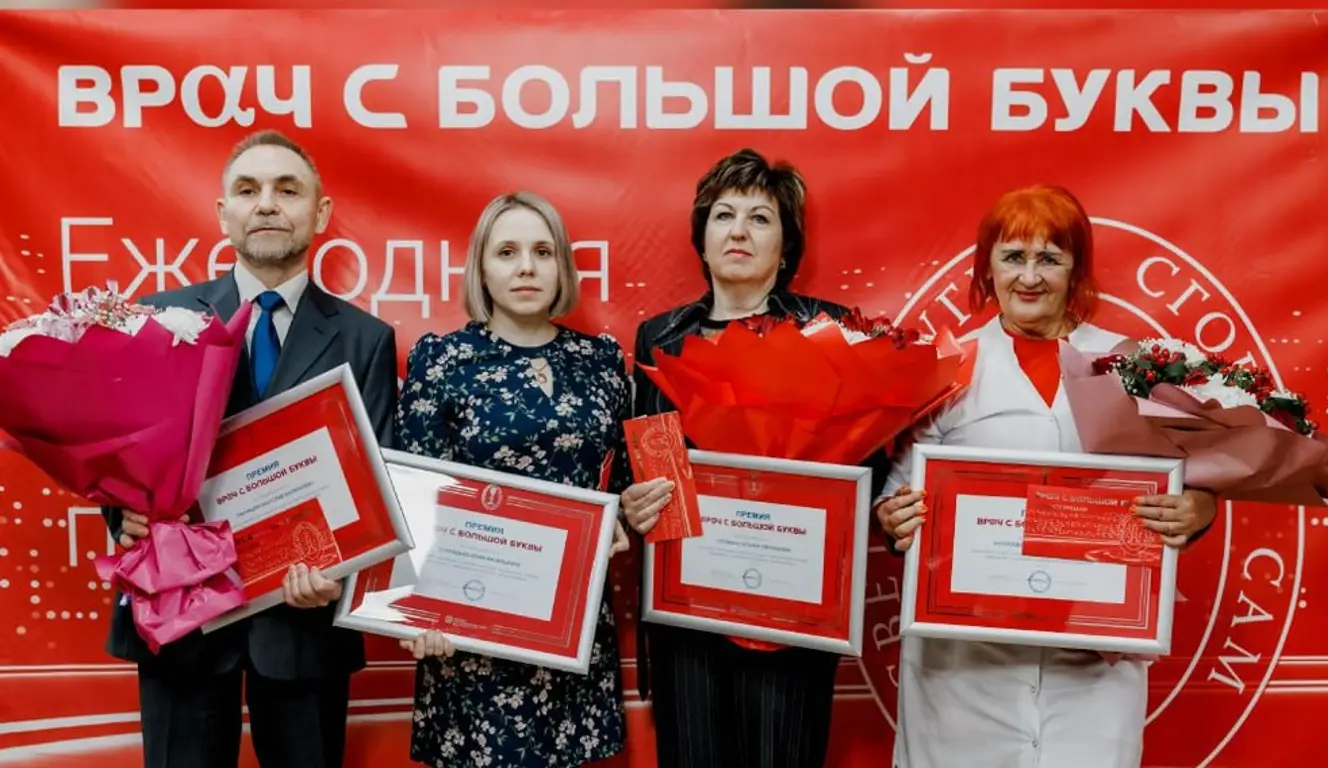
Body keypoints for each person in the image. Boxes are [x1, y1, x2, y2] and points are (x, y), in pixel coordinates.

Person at [876, 184, 1217, 768]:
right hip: (966, 664)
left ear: (1075, 269)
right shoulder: (943, 365)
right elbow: (895, 495)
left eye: (1049, 259)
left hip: (1090, 660)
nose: (1029, 277)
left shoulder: (1132, 365)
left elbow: (1194, 474)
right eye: (1013, 257)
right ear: (987, 266)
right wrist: (893, 515)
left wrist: (1199, 508)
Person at [99, 130, 398, 768]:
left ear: (319, 212)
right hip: (180, 614)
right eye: (248, 190)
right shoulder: (158, 319)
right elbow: (118, 449)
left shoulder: (366, 339)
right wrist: (124, 514)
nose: (266, 204)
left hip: (302, 618)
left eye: (287, 190)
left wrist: (340, 567)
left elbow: (376, 483)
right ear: (223, 213)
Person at [621, 147, 887, 768]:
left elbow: (866, 468)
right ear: (702, 237)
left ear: (787, 246)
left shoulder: (828, 331)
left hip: (790, 609)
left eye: (760, 218)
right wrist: (636, 502)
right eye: (724, 215)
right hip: (687, 608)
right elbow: (651, 461)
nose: (738, 231)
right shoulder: (659, 337)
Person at [394, 191, 631, 768]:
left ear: (562, 267)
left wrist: (624, 516)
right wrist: (415, 611)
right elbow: (412, 498)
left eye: (542, 252)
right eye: (507, 252)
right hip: (473, 632)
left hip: (572, 628)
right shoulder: (442, 361)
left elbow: (620, 486)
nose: (526, 266)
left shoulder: (602, 361)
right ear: (481, 269)